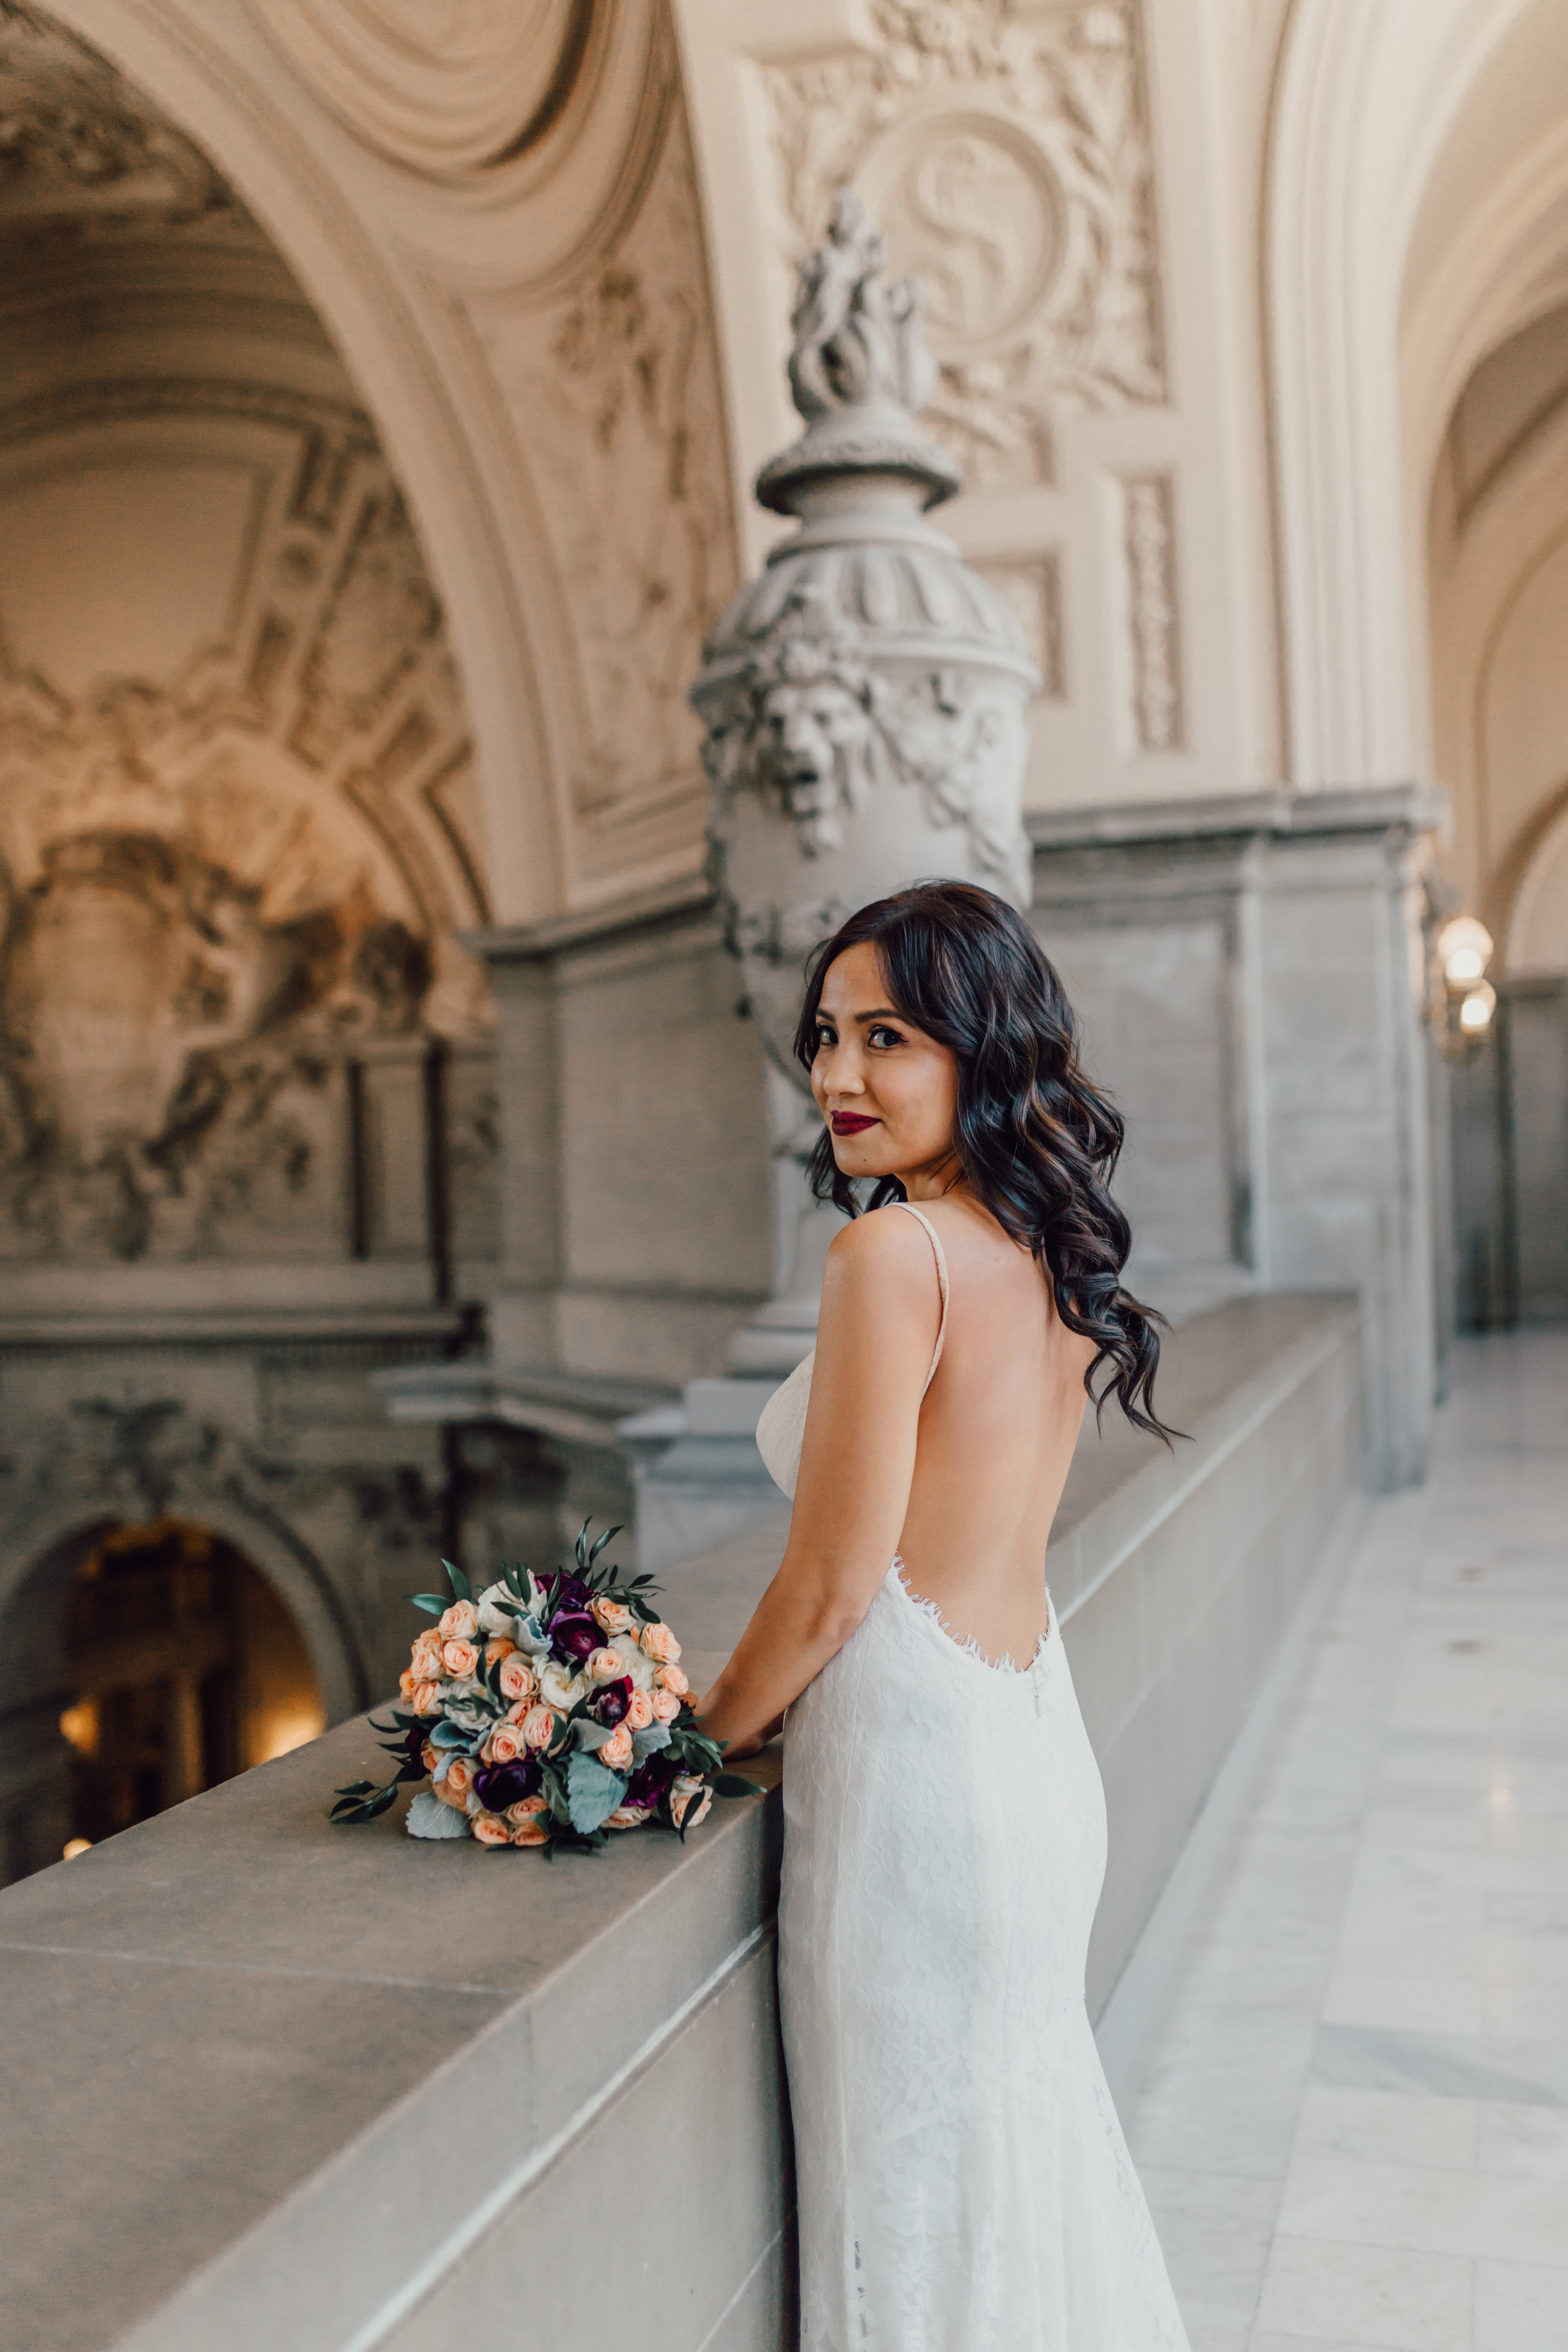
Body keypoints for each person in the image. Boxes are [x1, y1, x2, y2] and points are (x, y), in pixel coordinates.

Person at [696, 881, 1190, 2351]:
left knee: (903, 2218)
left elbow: (833, 1584)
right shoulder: (1039, 1253)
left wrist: (684, 1747)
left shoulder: (889, 1255)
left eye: (890, 1037)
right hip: (1032, 1753)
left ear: (981, 1048)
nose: (838, 1077)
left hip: (915, 1805)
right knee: (1019, 2182)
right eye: (827, 1036)